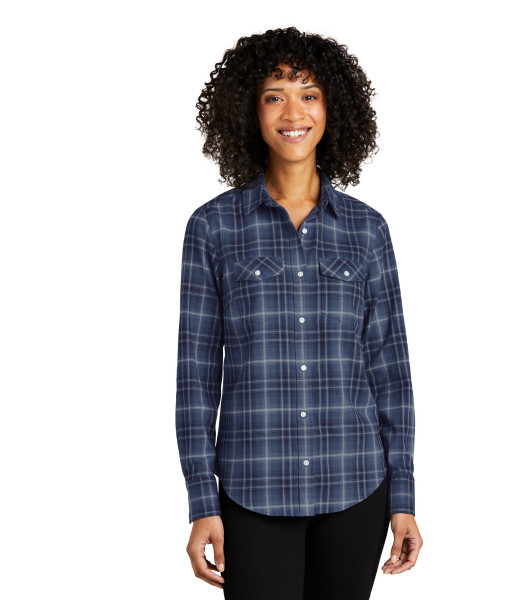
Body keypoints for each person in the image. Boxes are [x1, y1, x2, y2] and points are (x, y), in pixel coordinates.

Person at [175, 26, 423, 600]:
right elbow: (195, 377)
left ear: (332, 108)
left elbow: (390, 372)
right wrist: (201, 501)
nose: (294, 113)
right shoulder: (212, 227)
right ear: (250, 110)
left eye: (309, 94)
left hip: (357, 486)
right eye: (275, 96)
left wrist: (404, 497)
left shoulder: (367, 229)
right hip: (252, 490)